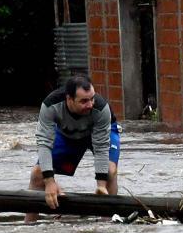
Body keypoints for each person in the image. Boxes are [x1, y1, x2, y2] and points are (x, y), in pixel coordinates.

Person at [25, 75, 120, 223]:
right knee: (38, 174)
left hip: (100, 132)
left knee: (109, 172)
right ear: (69, 99)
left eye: (92, 98)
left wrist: (101, 185)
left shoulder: (101, 108)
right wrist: (49, 182)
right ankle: (28, 227)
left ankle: (107, 226)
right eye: (83, 101)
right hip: (67, 133)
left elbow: (101, 147)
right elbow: (44, 144)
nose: (90, 105)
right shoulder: (51, 105)